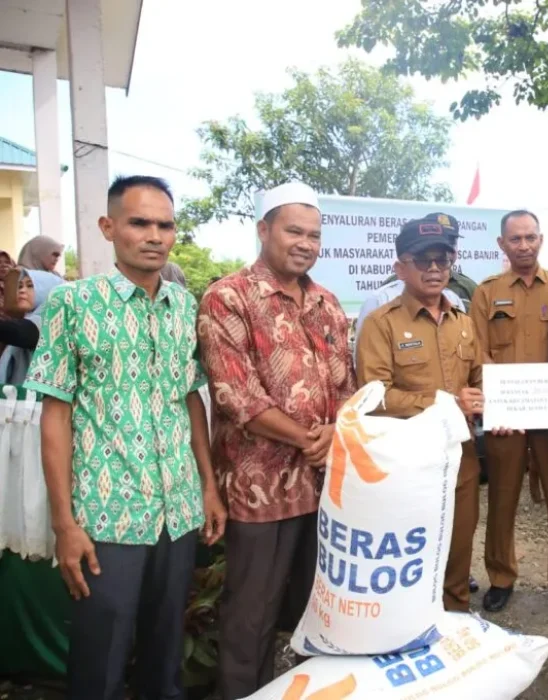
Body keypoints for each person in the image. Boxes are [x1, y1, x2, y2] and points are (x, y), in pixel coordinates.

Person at [23, 175, 226, 700]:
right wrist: (64, 523)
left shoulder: (184, 308)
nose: (154, 235)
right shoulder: (75, 304)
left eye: (165, 224)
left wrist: (206, 486)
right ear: (109, 227)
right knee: (101, 661)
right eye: (140, 222)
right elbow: (55, 416)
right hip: (107, 515)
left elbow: (190, 401)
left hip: (177, 510)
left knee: (165, 657)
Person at [198, 182, 357, 700]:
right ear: (264, 229)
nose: (307, 243)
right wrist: (306, 438)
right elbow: (233, 393)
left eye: (315, 234)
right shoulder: (229, 296)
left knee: (321, 606)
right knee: (252, 614)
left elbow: (346, 386)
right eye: (294, 230)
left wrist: (334, 432)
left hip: (325, 483)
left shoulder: (327, 302)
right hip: (259, 489)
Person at [358, 215, 507, 612]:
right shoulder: (380, 324)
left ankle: (453, 635)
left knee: (458, 555)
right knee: (411, 559)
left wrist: (507, 401)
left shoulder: (463, 323)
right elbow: (373, 398)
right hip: (407, 464)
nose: (435, 268)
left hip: (460, 461)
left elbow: (480, 380)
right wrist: (444, 403)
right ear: (400, 267)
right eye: (423, 260)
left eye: (443, 259)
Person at [472, 210, 548, 616]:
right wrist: (496, 401)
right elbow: (477, 352)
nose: (524, 245)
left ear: (541, 240)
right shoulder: (486, 292)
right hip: (507, 418)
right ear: (501, 244)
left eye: (530, 237)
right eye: (515, 239)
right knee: (502, 497)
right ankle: (501, 577)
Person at [374, 212, 478, 312]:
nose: (446, 250)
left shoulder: (467, 289)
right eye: (434, 243)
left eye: (451, 242)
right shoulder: (387, 293)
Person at [0, 268, 64, 384]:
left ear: (48, 289)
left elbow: (25, 333)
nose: (22, 291)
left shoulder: (53, 317)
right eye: (20, 286)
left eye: (30, 285)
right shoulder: (28, 318)